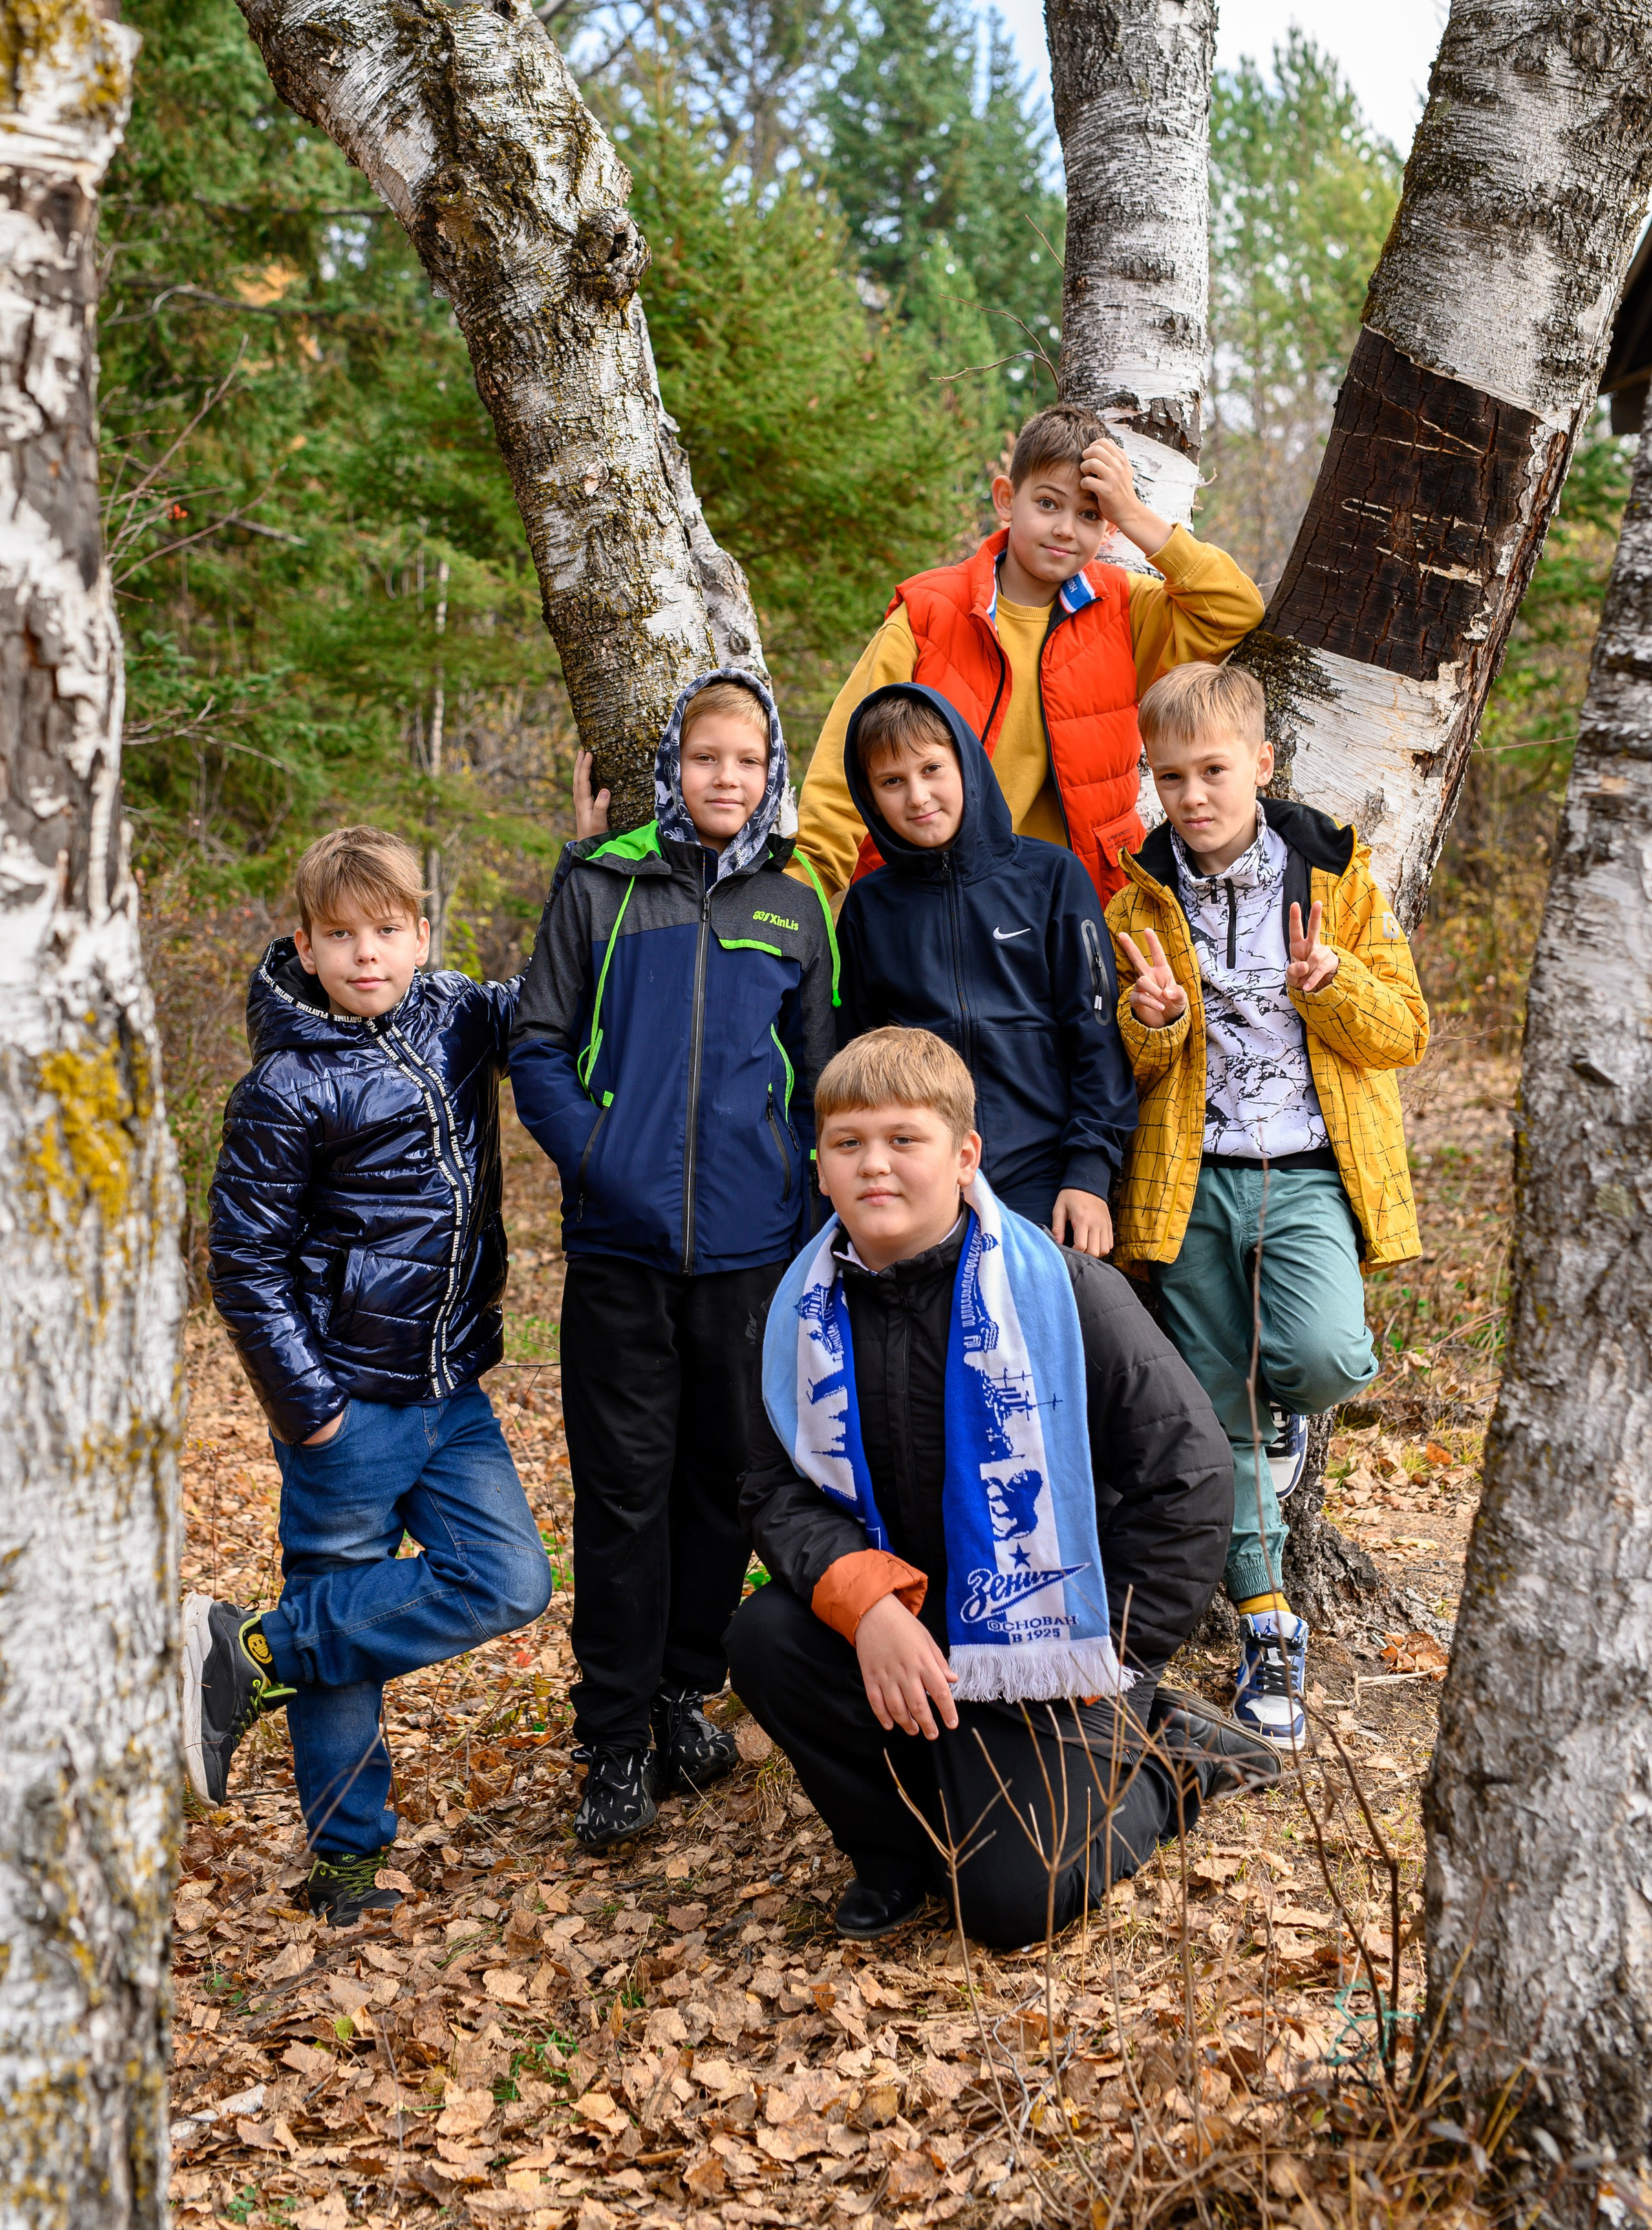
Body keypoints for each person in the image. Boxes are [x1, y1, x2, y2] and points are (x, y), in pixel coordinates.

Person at [728, 1027, 1269, 1951]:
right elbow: (774, 1490)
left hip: (1053, 1639)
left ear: (965, 1155)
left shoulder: (1064, 1290)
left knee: (1015, 1905)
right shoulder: (795, 1316)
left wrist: (1108, 1656)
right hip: (914, 1624)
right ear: (819, 1165)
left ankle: (1171, 1756)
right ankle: (895, 1853)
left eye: (904, 1139)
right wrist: (872, 1607)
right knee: (767, 1636)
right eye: (848, 1143)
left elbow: (1189, 1476)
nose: (874, 1165)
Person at [189, 823, 562, 1927]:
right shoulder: (286, 1086)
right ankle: (348, 1861)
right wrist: (311, 1411)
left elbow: (558, 987)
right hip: (347, 1403)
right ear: (305, 947)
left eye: (388, 931)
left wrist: (592, 857)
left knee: (508, 1581)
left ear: (423, 935)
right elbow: (242, 1262)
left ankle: (255, 1651)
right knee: (342, 1615)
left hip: (451, 1390)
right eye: (342, 936)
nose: (367, 954)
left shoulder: (459, 1016)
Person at [511, 670, 837, 1851]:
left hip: (753, 1254)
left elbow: (820, 1072)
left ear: (771, 772)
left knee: (725, 1483)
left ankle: (679, 1696)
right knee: (624, 1492)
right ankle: (611, 1739)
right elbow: (536, 1043)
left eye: (747, 761)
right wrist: (601, 1157)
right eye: (706, 758)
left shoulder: (794, 904)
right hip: (621, 1249)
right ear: (672, 766)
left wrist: (801, 1191)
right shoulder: (601, 886)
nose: (725, 778)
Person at [1104, 662, 1428, 1746]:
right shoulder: (1137, 902)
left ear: (1262, 764)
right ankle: (1267, 1625)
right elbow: (1124, 1069)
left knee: (1326, 1357)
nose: (1192, 796)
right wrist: (1152, 1022)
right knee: (1213, 1411)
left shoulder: (1337, 878)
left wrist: (1334, 984)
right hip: (1189, 1180)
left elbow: (1406, 1032)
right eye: (1170, 778)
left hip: (1306, 1170)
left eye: (1213, 771)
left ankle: (1288, 1402)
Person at [793, 402, 1264, 907]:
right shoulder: (929, 613)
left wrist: (1132, 513)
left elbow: (1234, 609)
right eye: (1047, 504)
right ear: (1006, 499)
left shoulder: (1126, 610)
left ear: (1109, 529)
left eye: (1089, 514)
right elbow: (846, 761)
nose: (1066, 529)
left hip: (1080, 906)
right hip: (935, 903)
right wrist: (804, 888)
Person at [835, 680, 1135, 1251]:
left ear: (967, 765)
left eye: (932, 769)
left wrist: (1089, 1172)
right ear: (870, 798)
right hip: (920, 1184)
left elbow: (1096, 1032)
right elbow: (858, 1061)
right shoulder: (869, 907)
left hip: (1046, 1182)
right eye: (892, 782)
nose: (918, 797)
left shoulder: (1052, 877)